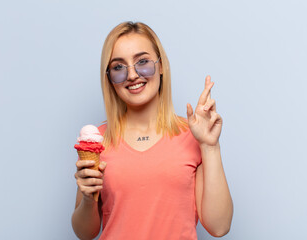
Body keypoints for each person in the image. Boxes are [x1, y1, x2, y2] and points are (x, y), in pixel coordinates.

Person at [71, 21, 233, 240]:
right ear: (109, 78)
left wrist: (210, 146)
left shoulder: (193, 135)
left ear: (161, 65)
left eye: (143, 62)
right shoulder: (98, 140)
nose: (132, 75)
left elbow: (219, 226)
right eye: (118, 67)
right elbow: (84, 233)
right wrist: (88, 199)